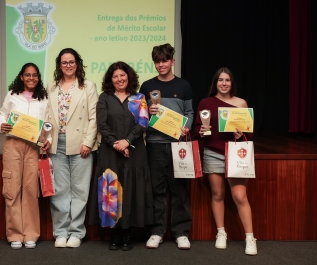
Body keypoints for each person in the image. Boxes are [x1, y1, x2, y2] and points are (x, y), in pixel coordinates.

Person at [89, 61, 152, 251]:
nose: (119, 79)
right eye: (115, 76)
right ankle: (115, 233)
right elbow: (102, 124)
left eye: (122, 75)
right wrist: (117, 144)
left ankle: (127, 233)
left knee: (131, 190)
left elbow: (143, 123)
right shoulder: (104, 98)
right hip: (110, 152)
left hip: (135, 153)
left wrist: (128, 141)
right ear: (110, 80)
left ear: (128, 76)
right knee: (112, 191)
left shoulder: (139, 97)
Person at [195, 67, 257, 255]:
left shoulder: (241, 103)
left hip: (236, 154)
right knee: (217, 194)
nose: (223, 83)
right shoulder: (205, 102)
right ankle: (221, 233)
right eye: (220, 80)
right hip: (213, 153)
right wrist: (202, 131)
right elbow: (199, 129)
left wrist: (242, 133)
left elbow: (249, 131)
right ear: (215, 82)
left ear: (232, 83)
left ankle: (250, 237)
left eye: (227, 80)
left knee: (240, 197)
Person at [139, 43, 194, 250]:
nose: (161, 65)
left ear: (173, 61)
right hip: (154, 144)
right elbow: (140, 116)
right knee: (156, 189)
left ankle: (181, 232)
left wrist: (186, 128)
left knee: (180, 189)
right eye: (157, 61)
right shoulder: (146, 86)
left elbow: (189, 113)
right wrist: (148, 113)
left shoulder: (184, 85)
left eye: (164, 60)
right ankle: (157, 231)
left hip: (178, 145)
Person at [45, 48, 98, 248]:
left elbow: (94, 117)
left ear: (77, 64)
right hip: (56, 144)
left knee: (80, 190)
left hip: (80, 144)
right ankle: (60, 232)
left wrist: (88, 141)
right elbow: (47, 118)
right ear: (59, 65)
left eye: (72, 62)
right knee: (59, 191)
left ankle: (76, 232)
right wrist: (45, 138)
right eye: (64, 62)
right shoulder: (51, 87)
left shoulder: (88, 86)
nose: (68, 65)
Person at [0, 63, 50, 249]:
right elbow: (2, 115)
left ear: (38, 77)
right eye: (27, 75)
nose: (31, 78)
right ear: (21, 77)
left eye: (35, 75)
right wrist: (1, 125)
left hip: (34, 147)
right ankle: (15, 235)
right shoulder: (12, 94)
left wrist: (47, 138)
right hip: (13, 144)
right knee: (12, 188)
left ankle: (31, 234)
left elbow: (48, 123)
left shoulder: (44, 98)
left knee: (30, 189)